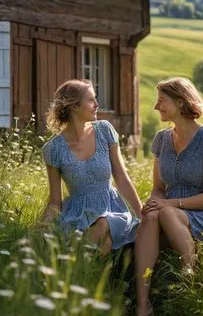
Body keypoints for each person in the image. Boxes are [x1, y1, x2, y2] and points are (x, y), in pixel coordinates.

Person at [130, 77, 203, 316]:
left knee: (162, 211)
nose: (156, 107)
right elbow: (158, 188)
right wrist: (153, 203)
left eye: (161, 101)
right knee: (151, 217)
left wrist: (167, 204)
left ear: (180, 101)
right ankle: (143, 307)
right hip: (170, 211)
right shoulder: (162, 140)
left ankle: (190, 274)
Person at [41, 79, 142, 255]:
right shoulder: (53, 149)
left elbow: (121, 178)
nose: (97, 104)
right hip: (76, 214)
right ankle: (98, 279)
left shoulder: (105, 130)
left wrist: (142, 215)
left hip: (111, 207)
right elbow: (55, 200)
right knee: (105, 242)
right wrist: (43, 227)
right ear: (73, 107)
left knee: (103, 223)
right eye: (91, 100)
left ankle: (81, 273)